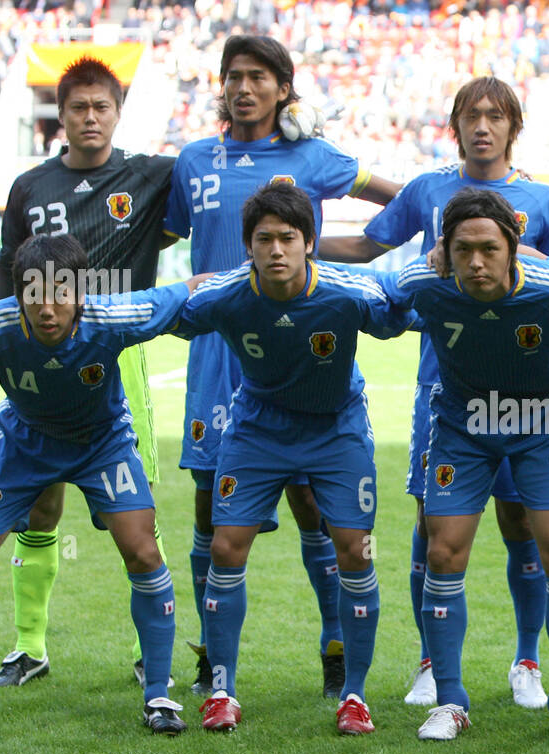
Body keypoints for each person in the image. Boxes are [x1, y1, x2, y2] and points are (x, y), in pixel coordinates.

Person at [318, 76, 549, 711]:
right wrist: (295, 243)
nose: (483, 126)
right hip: (447, 388)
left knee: (524, 521)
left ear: (514, 128)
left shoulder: (539, 199)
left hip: (526, 392)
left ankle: (526, 659)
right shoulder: (428, 190)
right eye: (471, 116)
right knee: (432, 524)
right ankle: (433, 664)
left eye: (495, 116)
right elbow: (365, 246)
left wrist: (519, 257)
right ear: (455, 126)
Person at [164, 35, 400, 700]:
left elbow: (399, 201)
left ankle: (334, 644)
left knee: (310, 502)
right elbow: (166, 233)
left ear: (283, 88)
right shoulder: (193, 161)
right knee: (211, 502)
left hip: (302, 342)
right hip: (220, 344)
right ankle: (214, 656)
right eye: (234, 76)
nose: (244, 87)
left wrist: (346, 254)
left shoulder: (312, 156)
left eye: (259, 77)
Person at [0, 233, 206, 734]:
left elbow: (191, 289)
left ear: (81, 294)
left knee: (143, 551)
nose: (47, 308)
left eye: (60, 294)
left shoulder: (113, 317)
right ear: (18, 292)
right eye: (34, 294)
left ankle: (158, 696)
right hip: (24, 443)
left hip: (102, 443)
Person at [184, 183, 412, 735]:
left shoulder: (346, 292)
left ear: (310, 242)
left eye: (289, 237)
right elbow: (163, 314)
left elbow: (405, 306)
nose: (277, 250)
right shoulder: (225, 296)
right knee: (224, 543)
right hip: (258, 428)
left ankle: (354, 694)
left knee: (354, 548)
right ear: (249, 246)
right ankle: (222, 689)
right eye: (265, 239)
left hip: (336, 429)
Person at [0, 56, 178, 692]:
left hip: (116, 358)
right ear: (59, 116)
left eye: (102, 107)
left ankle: (153, 654)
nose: (90, 118)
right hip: (39, 355)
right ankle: (29, 646)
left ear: (118, 111)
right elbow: (8, 269)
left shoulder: (152, 176)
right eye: (78, 108)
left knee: (136, 519)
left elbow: (224, 171)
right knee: (40, 507)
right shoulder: (29, 187)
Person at [379, 188, 549, 742]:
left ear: (513, 248)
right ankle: (450, 700)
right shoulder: (423, 282)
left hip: (542, 420)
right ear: (444, 250)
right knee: (442, 549)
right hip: (462, 423)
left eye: (490, 249)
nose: (476, 263)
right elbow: (380, 301)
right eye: (463, 249)